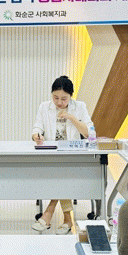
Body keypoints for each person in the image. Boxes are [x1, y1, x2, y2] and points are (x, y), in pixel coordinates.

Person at [31, 75, 92, 234]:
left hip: (72, 156)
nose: (59, 102)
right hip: (51, 155)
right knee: (61, 174)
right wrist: (37, 136)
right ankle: (67, 218)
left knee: (61, 173)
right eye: (55, 98)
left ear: (71, 96)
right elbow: (37, 128)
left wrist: (72, 118)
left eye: (64, 99)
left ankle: (48, 213)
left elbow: (89, 134)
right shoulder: (44, 107)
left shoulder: (79, 107)